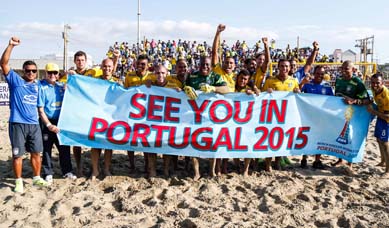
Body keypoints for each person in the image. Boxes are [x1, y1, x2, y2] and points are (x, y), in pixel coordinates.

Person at [1, 37, 48, 193]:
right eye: (28, 70)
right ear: (23, 71)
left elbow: (56, 82)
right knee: (18, 155)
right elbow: (4, 64)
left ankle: (36, 178)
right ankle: (19, 181)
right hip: (17, 123)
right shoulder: (16, 81)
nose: (31, 73)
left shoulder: (39, 85)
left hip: (34, 124)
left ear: (37, 72)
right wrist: (11, 46)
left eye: (34, 71)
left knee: (36, 153)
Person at [185, 56, 230, 180]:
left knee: (213, 143)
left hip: (211, 116)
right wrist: (185, 89)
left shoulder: (215, 77)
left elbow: (227, 89)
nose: (205, 67)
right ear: (199, 64)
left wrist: (213, 88)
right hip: (194, 115)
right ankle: (196, 172)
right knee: (193, 143)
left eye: (207, 65)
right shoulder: (192, 76)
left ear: (211, 66)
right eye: (203, 64)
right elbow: (183, 89)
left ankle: (211, 171)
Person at [38, 63, 77, 184]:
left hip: (61, 122)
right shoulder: (41, 87)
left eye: (55, 73)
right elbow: (40, 110)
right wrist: (49, 125)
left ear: (58, 74)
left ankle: (67, 171)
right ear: (45, 73)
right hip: (47, 122)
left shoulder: (61, 86)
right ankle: (48, 173)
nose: (52, 75)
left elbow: (74, 90)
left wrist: (72, 75)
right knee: (47, 149)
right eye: (50, 73)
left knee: (64, 147)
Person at [262, 59, 300, 171]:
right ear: (278, 67)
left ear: (289, 68)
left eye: (286, 66)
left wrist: (298, 92)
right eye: (282, 66)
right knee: (270, 139)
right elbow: (262, 97)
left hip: (286, 116)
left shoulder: (293, 81)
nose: (284, 68)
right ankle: (268, 163)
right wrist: (266, 92)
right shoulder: (270, 80)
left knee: (281, 140)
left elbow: (298, 97)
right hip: (273, 115)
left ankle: (277, 162)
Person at [332, 60, 370, 169]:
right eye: (342, 68)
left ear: (353, 70)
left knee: (350, 137)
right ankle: (340, 159)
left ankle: (350, 163)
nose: (344, 71)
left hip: (353, 114)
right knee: (339, 135)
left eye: (346, 69)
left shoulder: (358, 82)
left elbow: (367, 100)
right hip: (339, 114)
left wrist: (353, 101)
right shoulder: (338, 80)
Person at [146, 65, 182, 177]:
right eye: (157, 73)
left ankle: (166, 169)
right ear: (154, 74)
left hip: (168, 120)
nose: (160, 75)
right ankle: (152, 170)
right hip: (153, 120)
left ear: (167, 73)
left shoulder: (173, 86)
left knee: (166, 146)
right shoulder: (149, 86)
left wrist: (179, 92)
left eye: (162, 73)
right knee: (151, 145)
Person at [124, 54, 156, 173]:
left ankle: (147, 165)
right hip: (132, 113)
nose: (140, 66)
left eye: (143, 64)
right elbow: (124, 92)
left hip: (148, 114)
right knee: (131, 139)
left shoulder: (153, 77)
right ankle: (132, 165)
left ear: (148, 66)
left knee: (146, 140)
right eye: (138, 63)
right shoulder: (129, 76)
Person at [299, 65, 334, 169]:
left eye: (322, 74)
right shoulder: (308, 85)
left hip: (321, 118)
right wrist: (301, 84)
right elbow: (298, 94)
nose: (320, 75)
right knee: (307, 138)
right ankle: (304, 159)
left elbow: (332, 102)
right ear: (314, 74)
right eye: (318, 73)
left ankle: (317, 160)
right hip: (308, 117)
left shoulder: (327, 87)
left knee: (320, 138)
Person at [90, 58, 118, 180]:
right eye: (105, 66)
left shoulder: (117, 83)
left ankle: (106, 169)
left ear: (113, 68)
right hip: (97, 116)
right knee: (95, 145)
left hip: (110, 117)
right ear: (101, 67)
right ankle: (95, 170)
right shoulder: (95, 82)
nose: (107, 68)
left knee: (108, 145)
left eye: (109, 66)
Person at [367, 73, 389, 177]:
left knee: (385, 143)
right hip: (381, 116)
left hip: (386, 119)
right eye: (373, 83)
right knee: (379, 139)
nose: (374, 85)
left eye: (377, 83)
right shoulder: (373, 89)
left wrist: (373, 111)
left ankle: (388, 171)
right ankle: (383, 161)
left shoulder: (387, 96)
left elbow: (388, 116)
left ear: (383, 83)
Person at [211, 24, 236, 92]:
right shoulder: (218, 71)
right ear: (222, 64)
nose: (228, 64)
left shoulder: (237, 77)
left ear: (234, 66)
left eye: (231, 63)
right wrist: (218, 33)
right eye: (226, 62)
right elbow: (214, 53)